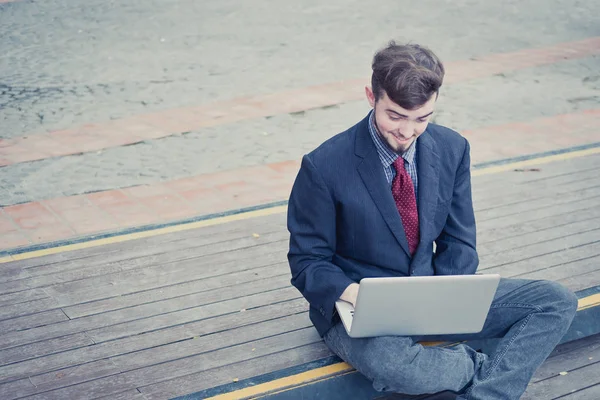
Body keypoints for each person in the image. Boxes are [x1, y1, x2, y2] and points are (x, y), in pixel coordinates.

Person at [286, 41, 578, 400]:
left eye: (422, 118)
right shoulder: (323, 166)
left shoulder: (453, 148)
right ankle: (487, 375)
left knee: (555, 301)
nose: (408, 132)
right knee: (392, 365)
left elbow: (459, 240)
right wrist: (354, 294)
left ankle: (483, 394)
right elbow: (307, 263)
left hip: (432, 293)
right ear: (370, 96)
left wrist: (451, 295)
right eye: (395, 116)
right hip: (360, 305)